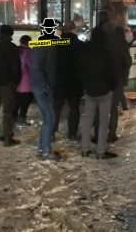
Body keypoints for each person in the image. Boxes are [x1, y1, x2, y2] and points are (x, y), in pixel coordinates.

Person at [78, 26, 118, 160]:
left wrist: (84, 86)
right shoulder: (107, 53)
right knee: (103, 121)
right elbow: (113, 73)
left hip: (89, 90)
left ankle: (85, 149)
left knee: (87, 119)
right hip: (105, 91)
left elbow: (81, 71)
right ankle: (100, 151)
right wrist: (112, 87)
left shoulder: (85, 51)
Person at [31, 25, 61, 162]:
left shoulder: (38, 44)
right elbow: (49, 68)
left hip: (37, 84)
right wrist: (49, 84)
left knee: (48, 118)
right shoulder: (50, 46)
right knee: (49, 118)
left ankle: (43, 148)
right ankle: (45, 151)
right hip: (43, 86)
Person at [53, 21, 84, 141]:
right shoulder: (80, 45)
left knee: (56, 108)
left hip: (59, 80)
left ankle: (52, 132)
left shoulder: (56, 44)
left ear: (63, 31)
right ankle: (72, 133)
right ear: (74, 30)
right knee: (74, 108)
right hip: (75, 82)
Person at [107, 25, 132, 143]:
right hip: (118, 79)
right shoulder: (123, 44)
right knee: (113, 108)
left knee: (102, 107)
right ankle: (111, 134)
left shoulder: (107, 43)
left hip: (106, 79)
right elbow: (128, 62)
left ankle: (99, 132)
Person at [12, 35, 33, 126]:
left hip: (16, 81)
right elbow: (31, 66)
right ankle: (21, 119)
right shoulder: (29, 52)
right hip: (26, 82)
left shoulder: (15, 51)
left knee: (16, 101)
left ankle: (13, 118)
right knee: (25, 102)